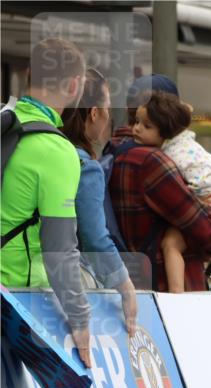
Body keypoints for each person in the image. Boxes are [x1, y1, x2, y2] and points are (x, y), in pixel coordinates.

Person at [1, 38, 93, 366]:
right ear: (74, 86)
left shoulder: (4, 121)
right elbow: (59, 249)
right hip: (15, 305)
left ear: (29, 74)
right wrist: (80, 320)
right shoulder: (56, 150)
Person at [108, 75, 211, 292]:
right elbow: (206, 231)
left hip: (132, 285)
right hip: (166, 289)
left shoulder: (112, 152)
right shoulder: (151, 160)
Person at [131, 90, 211, 293]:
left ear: (166, 131)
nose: (136, 129)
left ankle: (177, 297)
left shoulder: (173, 156)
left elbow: (198, 188)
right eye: (136, 122)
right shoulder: (181, 146)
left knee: (171, 244)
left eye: (147, 126)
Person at [60, 67, 137, 333]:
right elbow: (94, 238)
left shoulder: (40, 149)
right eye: (107, 108)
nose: (108, 116)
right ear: (94, 113)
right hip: (66, 285)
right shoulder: (85, 167)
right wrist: (125, 286)